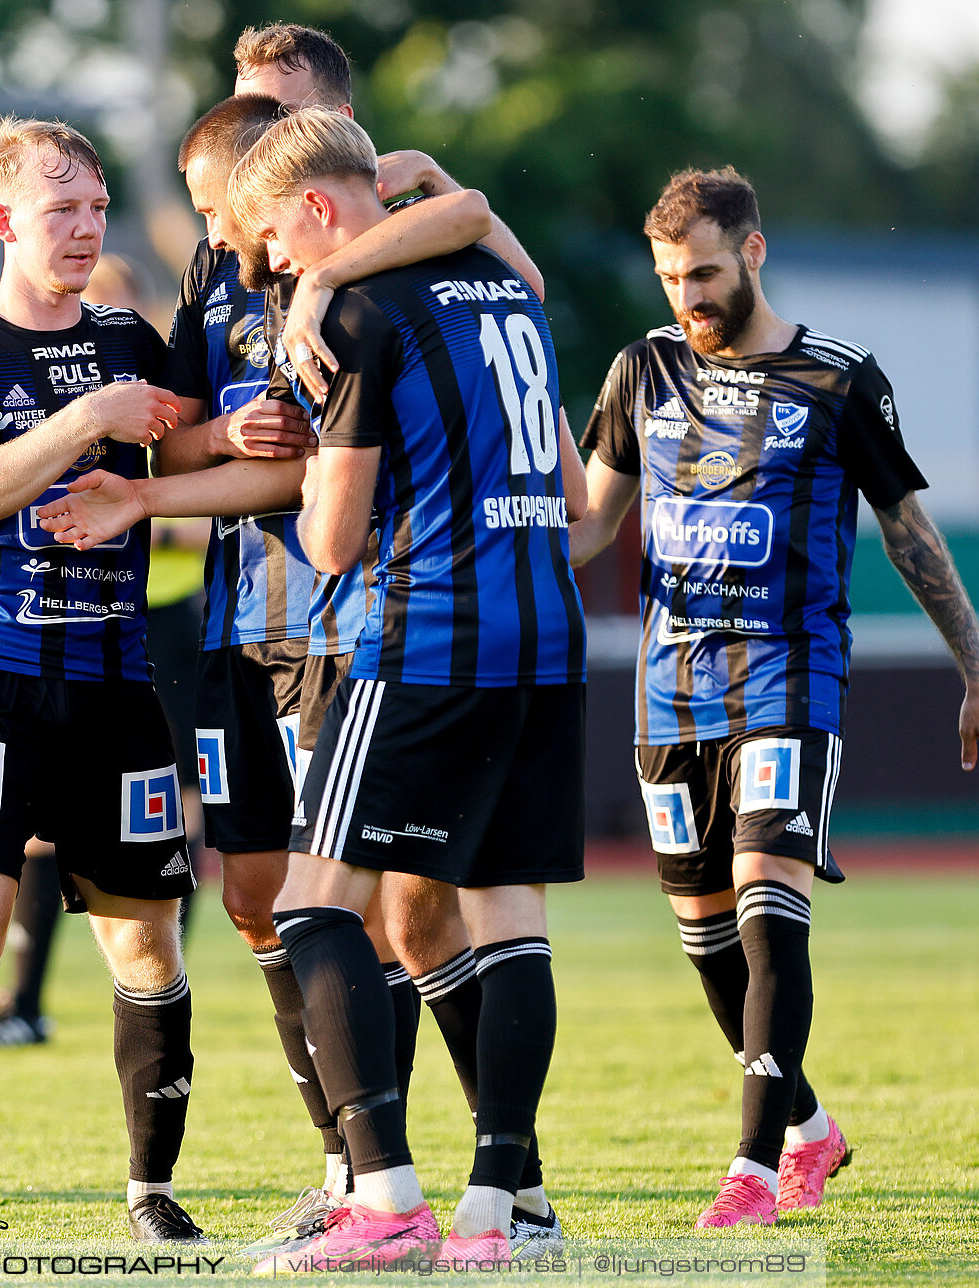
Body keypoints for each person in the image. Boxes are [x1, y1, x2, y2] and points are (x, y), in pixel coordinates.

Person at [569, 167, 979, 1228]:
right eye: (673, 276)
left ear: (754, 253)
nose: (690, 296)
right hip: (668, 699)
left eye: (707, 273)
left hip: (789, 679)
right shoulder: (641, 370)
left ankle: (754, 1173)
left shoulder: (840, 379)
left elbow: (910, 533)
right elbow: (589, 524)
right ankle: (812, 1129)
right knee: (709, 941)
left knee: (769, 902)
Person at [237, 107, 587, 1267]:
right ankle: (506, 1205)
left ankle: (383, 1200)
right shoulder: (504, 278)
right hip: (547, 636)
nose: (272, 266)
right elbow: (579, 499)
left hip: (427, 633)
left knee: (314, 905)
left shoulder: (350, 309)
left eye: (275, 239)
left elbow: (332, 544)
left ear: (320, 210)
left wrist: (287, 471)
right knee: (510, 915)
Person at [0, 116, 204, 1251]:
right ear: (5, 220)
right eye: (59, 208)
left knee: (149, 947)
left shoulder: (135, 333)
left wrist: (243, 428)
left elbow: (188, 455)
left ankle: (150, 1191)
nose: (83, 229)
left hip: (119, 679)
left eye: (94, 208)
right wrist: (88, 419)